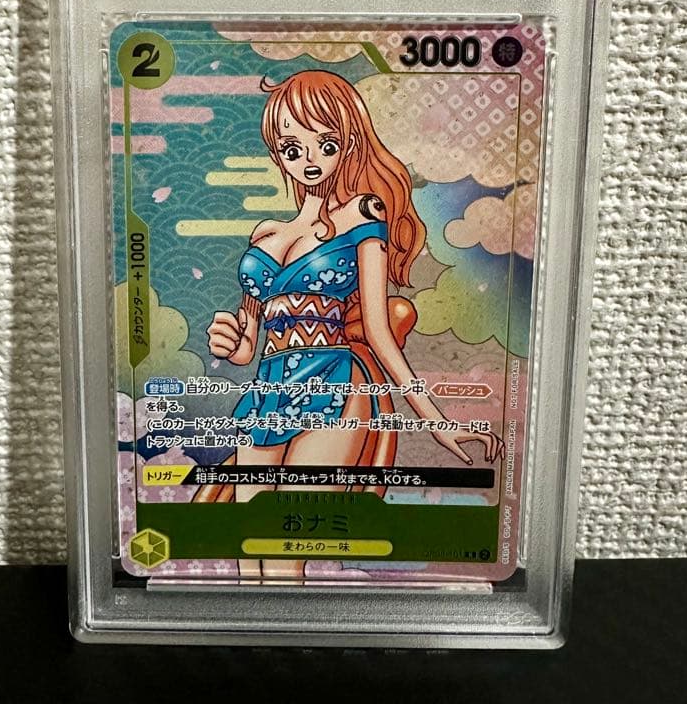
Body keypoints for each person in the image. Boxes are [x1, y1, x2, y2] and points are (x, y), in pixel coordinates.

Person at [197, 70, 504, 576]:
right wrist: (229, 340)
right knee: (251, 550)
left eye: (326, 144)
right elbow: (249, 343)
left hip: (334, 383)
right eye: (292, 148)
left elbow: (380, 333)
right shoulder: (265, 233)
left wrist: (438, 422)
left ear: (349, 144)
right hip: (266, 392)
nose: (308, 159)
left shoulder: (363, 213)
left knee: (285, 555)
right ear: (278, 154)